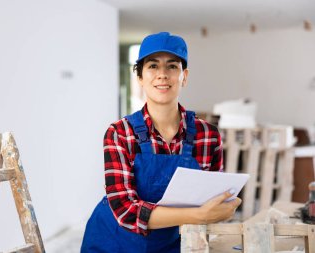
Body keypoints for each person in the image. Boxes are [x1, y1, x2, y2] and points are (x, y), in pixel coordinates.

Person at [81, 32, 242, 252]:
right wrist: (198, 215)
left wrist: (222, 208)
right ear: (140, 77)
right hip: (113, 242)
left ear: (184, 76)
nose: (162, 75)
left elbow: (214, 200)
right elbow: (126, 210)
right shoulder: (120, 134)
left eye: (172, 66)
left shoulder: (208, 136)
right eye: (153, 66)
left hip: (173, 244)